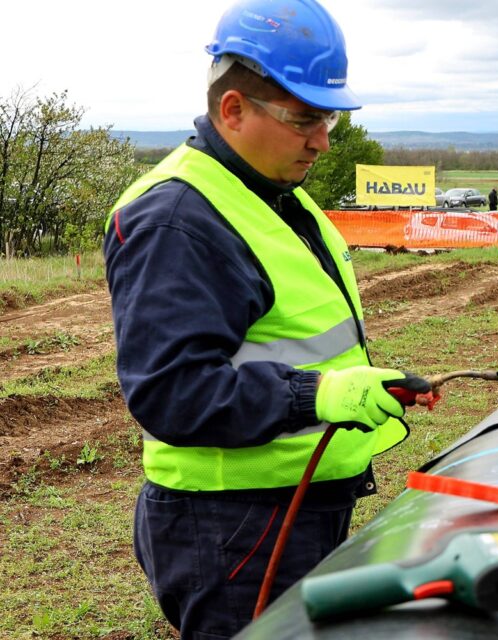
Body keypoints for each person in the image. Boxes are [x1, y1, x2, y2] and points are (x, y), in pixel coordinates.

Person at [102, 2, 414, 637]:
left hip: (293, 507)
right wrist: (316, 396)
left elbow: (291, 338)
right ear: (233, 109)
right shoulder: (178, 220)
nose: (323, 141)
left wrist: (353, 387)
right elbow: (172, 392)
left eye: (329, 118)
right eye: (304, 119)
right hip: (235, 528)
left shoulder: (272, 193)